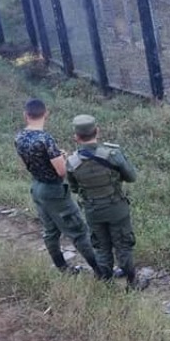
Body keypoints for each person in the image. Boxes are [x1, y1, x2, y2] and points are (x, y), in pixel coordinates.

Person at [14, 99, 107, 280]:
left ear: (25, 115)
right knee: (79, 231)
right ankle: (101, 271)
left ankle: (62, 267)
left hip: (37, 187)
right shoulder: (45, 139)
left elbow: (26, 163)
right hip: (54, 191)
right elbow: (61, 171)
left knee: (50, 230)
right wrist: (63, 156)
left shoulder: (19, 137)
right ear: (46, 114)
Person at [66, 114, 139, 289]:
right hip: (116, 208)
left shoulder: (72, 162)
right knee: (123, 245)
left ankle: (107, 284)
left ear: (76, 137)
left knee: (101, 247)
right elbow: (131, 177)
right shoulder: (113, 154)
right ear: (97, 131)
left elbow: (74, 188)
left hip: (93, 211)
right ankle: (132, 283)